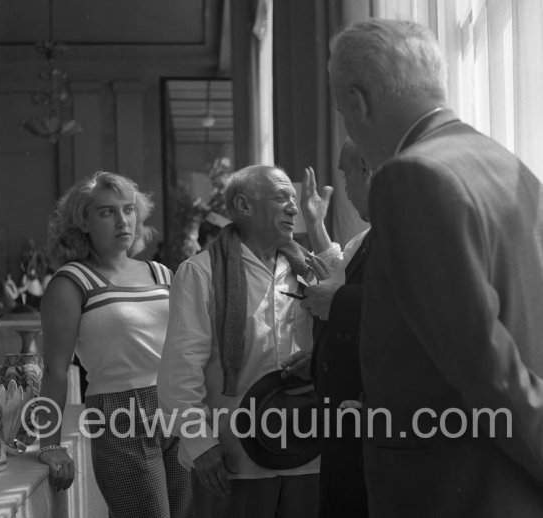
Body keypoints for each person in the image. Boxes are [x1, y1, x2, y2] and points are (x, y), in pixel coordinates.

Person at [325, 18, 543, 516]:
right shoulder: (505, 164)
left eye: (342, 110)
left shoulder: (410, 177)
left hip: (453, 485)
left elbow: (483, 364)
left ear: (357, 102)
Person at [157, 165, 321, 518]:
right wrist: (200, 445)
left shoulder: (308, 270)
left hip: (307, 452)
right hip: (232, 458)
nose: (293, 208)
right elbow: (180, 370)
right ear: (244, 206)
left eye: (294, 199)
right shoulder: (201, 272)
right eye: (281, 198)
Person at [37, 171, 192, 518]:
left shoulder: (162, 274)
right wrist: (50, 444)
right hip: (120, 412)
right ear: (83, 222)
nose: (123, 220)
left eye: (129, 209)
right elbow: (55, 370)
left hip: (181, 409)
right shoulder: (71, 282)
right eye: (107, 212)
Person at [300, 140, 371, 517]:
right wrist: (315, 226)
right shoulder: (368, 236)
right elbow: (341, 274)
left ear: (368, 170)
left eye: (346, 174)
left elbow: (414, 312)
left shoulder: (410, 237)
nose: (343, 187)